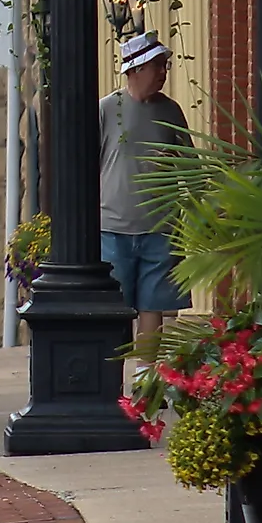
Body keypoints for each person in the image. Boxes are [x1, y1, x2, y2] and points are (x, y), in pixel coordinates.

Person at [100, 33, 190, 386]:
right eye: (157, 65)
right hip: (112, 227)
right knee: (115, 308)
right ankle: (110, 379)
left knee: (153, 305)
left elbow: (189, 166)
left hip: (161, 226)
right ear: (134, 68)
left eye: (165, 65)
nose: (163, 72)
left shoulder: (171, 112)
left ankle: (144, 379)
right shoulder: (108, 109)